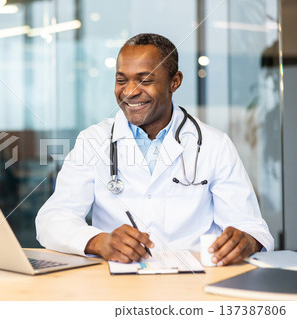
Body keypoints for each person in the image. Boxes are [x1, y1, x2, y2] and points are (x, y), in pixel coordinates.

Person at [35, 33, 273, 266]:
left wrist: (247, 242)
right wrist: (99, 242)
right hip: (116, 283)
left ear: (174, 81)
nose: (129, 91)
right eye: (121, 80)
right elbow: (52, 220)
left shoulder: (214, 144)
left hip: (192, 284)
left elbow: (251, 227)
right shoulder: (92, 140)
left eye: (145, 80)